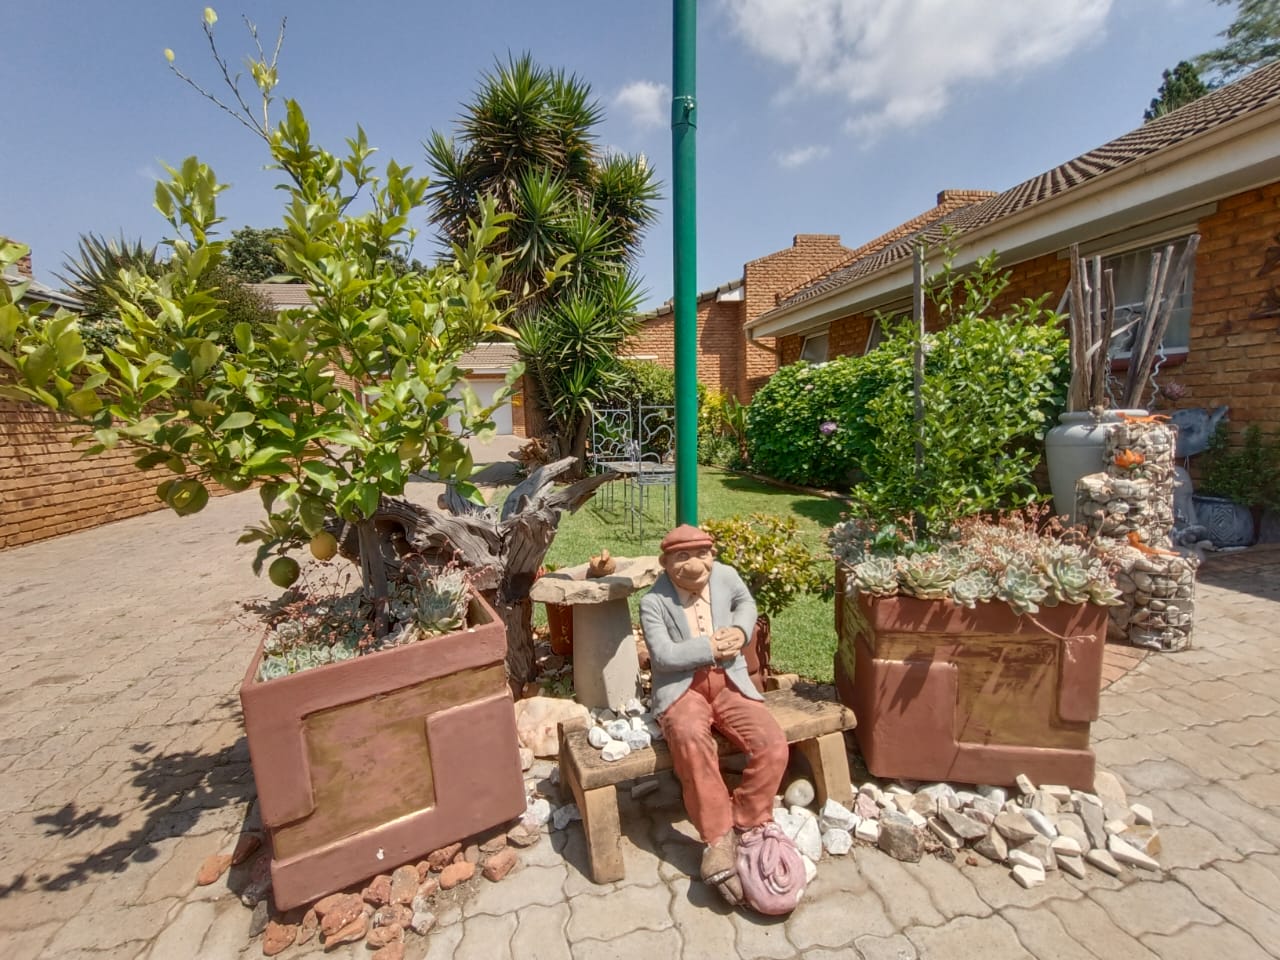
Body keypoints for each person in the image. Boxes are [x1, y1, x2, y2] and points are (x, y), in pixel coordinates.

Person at [639, 524, 790, 906]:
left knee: (772, 743)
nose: (695, 565)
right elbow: (664, 656)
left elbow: (746, 603)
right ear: (665, 562)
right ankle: (718, 837)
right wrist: (710, 647)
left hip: (729, 681)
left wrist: (740, 631)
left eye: (701, 554)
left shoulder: (726, 577)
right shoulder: (653, 602)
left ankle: (749, 821)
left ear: (713, 555)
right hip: (683, 688)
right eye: (682, 557)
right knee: (690, 740)